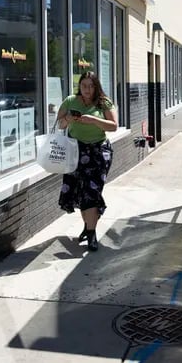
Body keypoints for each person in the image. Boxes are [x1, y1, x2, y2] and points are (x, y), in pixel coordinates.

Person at [56, 71, 118, 251]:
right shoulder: (70, 101)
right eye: (84, 86)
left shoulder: (104, 102)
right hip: (76, 151)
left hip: (98, 152)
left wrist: (93, 120)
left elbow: (113, 126)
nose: (87, 90)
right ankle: (88, 227)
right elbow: (59, 124)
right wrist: (68, 118)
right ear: (79, 86)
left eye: (91, 86)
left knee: (92, 191)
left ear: (96, 86)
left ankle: (91, 235)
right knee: (80, 191)